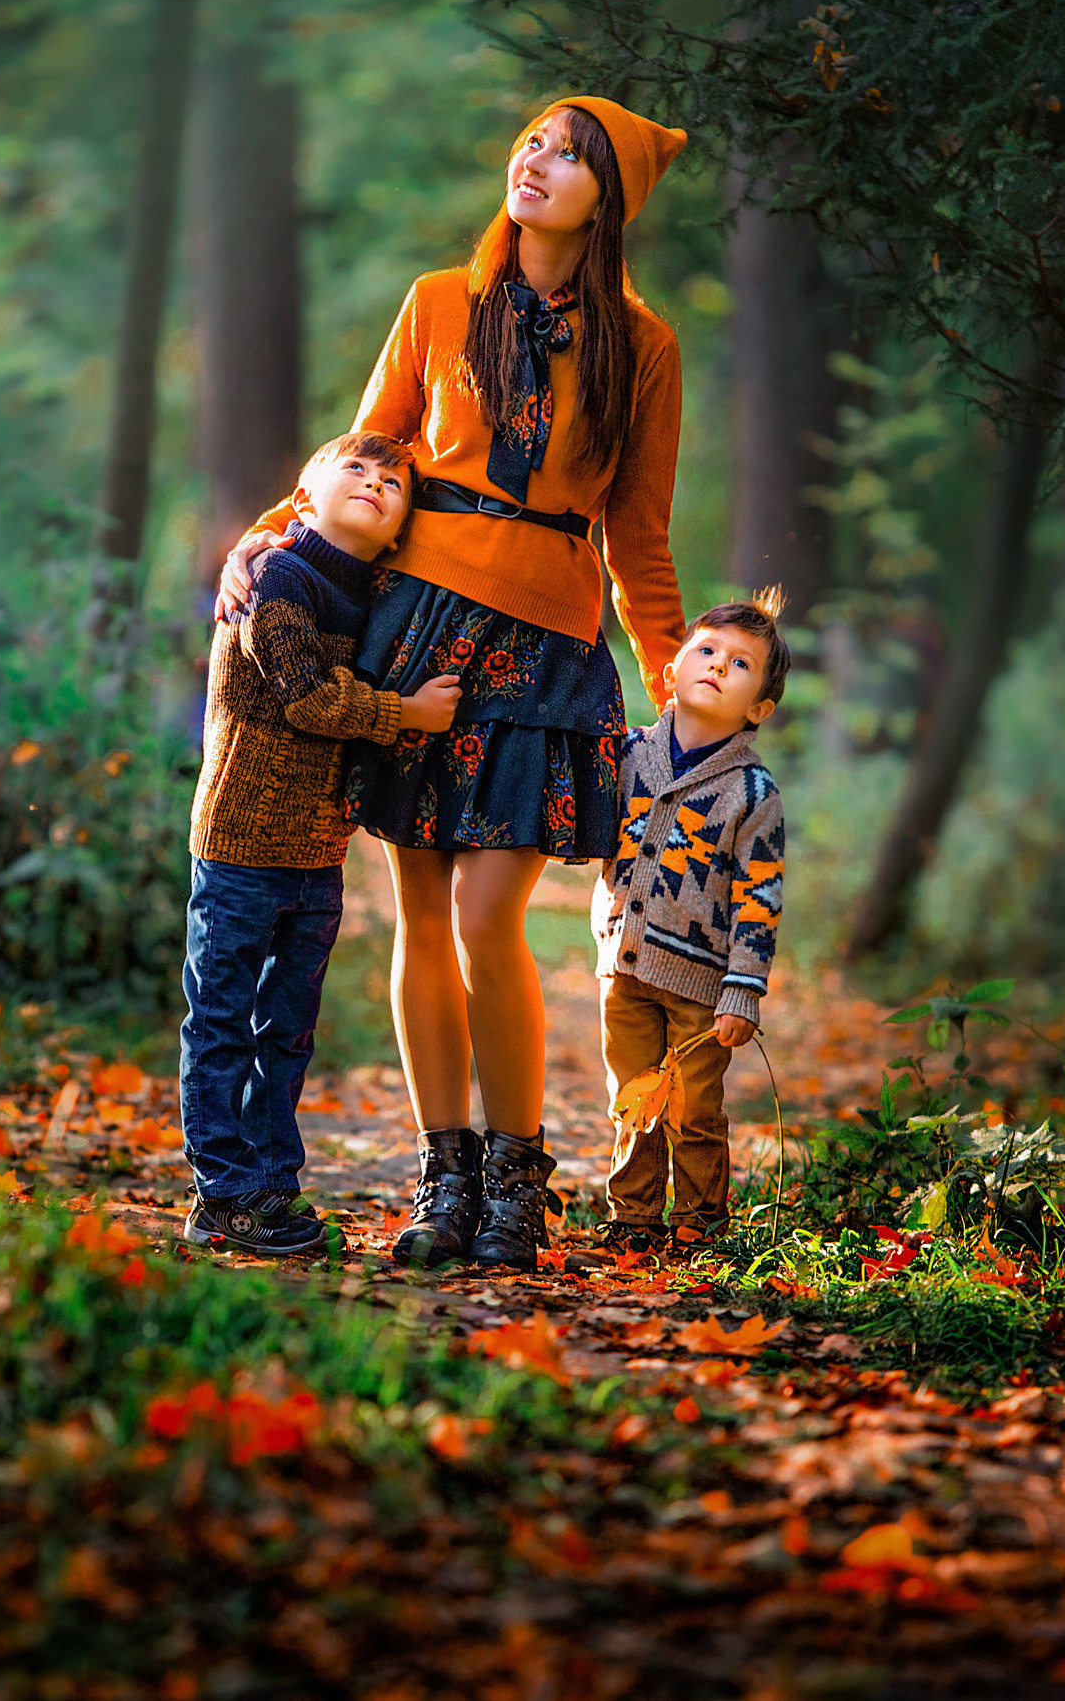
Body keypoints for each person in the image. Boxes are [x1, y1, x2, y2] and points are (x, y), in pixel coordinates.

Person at [216, 95, 692, 1269]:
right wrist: (264, 538)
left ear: (610, 198)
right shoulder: (438, 303)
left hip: (544, 641)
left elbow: (636, 530)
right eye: (534, 141)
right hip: (413, 627)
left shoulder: (646, 346)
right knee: (421, 913)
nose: (539, 162)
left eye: (572, 156)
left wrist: (670, 666)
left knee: (491, 915)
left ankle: (516, 1183)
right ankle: (444, 1182)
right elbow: (363, 447)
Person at [181, 432, 462, 1256]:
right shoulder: (275, 577)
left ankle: (270, 1182)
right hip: (239, 844)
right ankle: (222, 1191)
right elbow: (306, 695)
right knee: (224, 1021)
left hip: (315, 852)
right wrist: (402, 712)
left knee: (287, 1030)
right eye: (356, 469)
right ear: (306, 493)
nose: (375, 484)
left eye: (393, 482)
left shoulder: (375, 595)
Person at [593, 594, 791, 1252]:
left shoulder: (751, 793)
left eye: (739, 663)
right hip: (623, 963)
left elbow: (759, 894)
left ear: (758, 708)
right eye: (705, 649)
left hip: (701, 984)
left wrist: (743, 988)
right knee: (632, 1098)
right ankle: (634, 1219)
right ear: (671, 666)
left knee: (693, 1109)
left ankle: (700, 1225)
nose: (716, 665)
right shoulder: (629, 753)